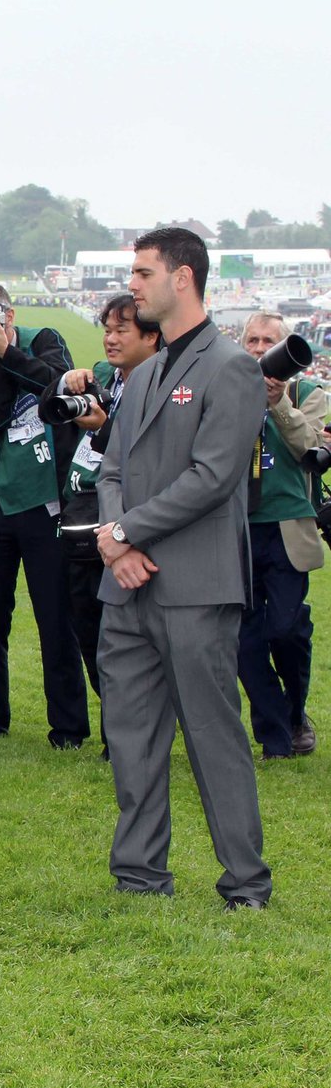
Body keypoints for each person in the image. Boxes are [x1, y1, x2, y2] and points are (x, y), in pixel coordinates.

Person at [96, 227, 269, 910]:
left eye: (142, 272)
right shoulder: (142, 376)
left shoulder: (231, 366)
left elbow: (213, 476)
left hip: (194, 587)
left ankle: (245, 883)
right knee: (130, 737)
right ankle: (139, 875)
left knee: (211, 737)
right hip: (125, 586)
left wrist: (126, 531)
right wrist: (116, 542)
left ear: (182, 279)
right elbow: (111, 468)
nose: (131, 285)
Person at [0, 282, 88, 747]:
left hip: (47, 495)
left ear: (8, 313)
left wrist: (8, 353)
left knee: (57, 616)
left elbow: (55, 389)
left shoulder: (45, 339)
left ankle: (68, 727)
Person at [45, 293, 160, 757]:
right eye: (107, 330)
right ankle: (117, 729)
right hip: (80, 526)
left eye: (121, 331)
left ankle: (127, 738)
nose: (110, 340)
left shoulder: (164, 385)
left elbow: (147, 454)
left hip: (127, 528)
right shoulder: (105, 376)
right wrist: (64, 382)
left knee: (128, 641)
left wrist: (103, 426)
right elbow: (47, 410)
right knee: (90, 635)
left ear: (151, 337)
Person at [235, 311, 326, 759]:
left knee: (287, 630)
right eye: (252, 339)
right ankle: (275, 737)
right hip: (236, 527)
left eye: (268, 340)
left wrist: (278, 402)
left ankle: (293, 714)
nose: (258, 348)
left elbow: (309, 447)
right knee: (244, 638)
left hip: (287, 524)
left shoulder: (309, 393)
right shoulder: (229, 388)